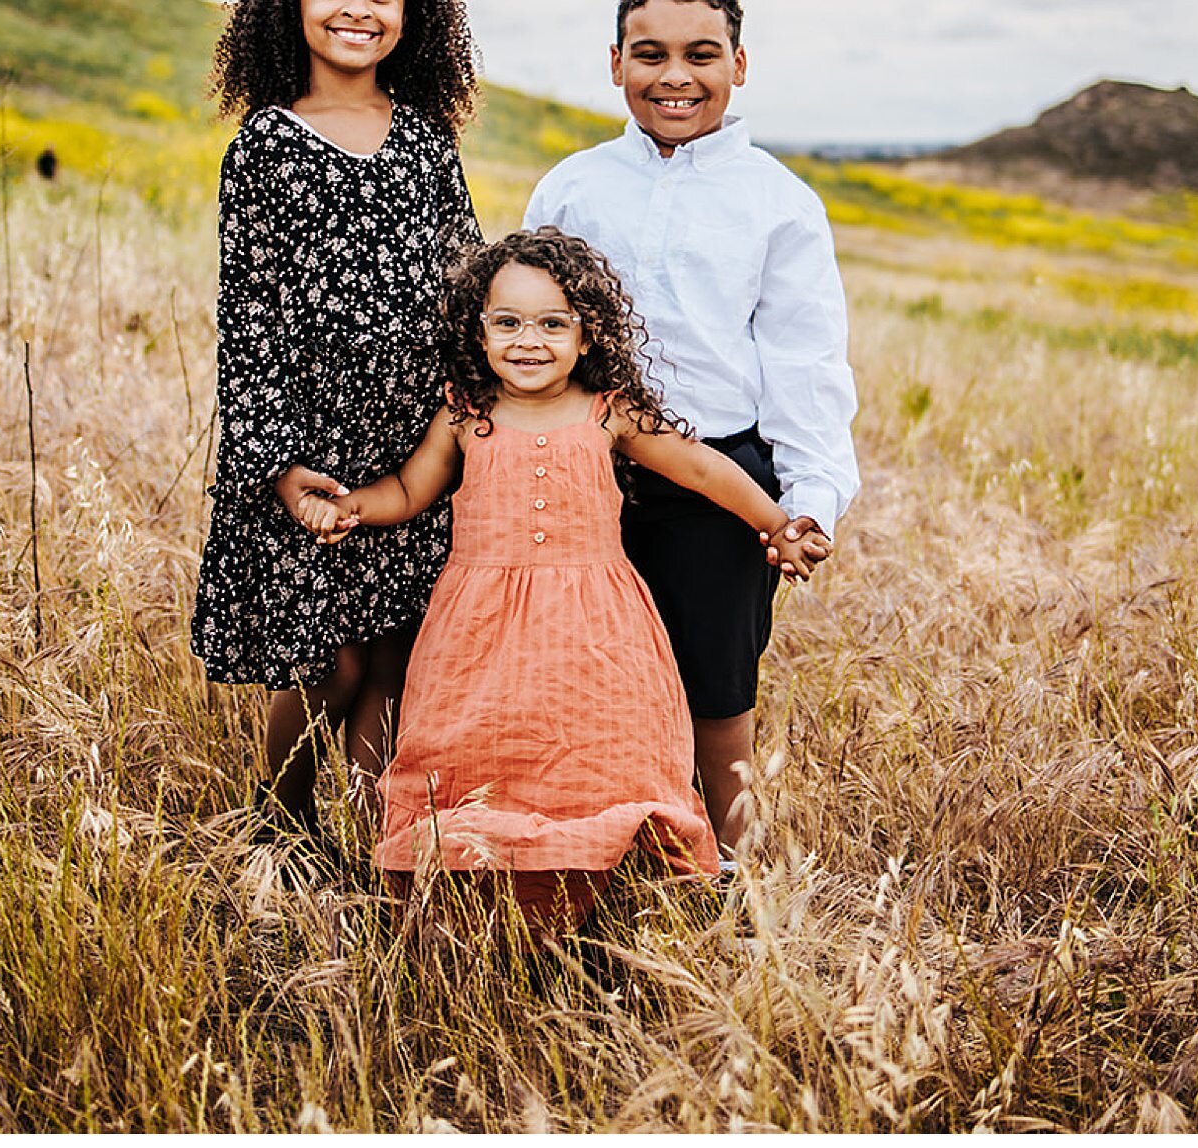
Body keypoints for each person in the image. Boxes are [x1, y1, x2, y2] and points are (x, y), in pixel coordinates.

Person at [299, 229, 818, 932]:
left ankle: (599, 892)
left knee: (600, 747)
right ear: (476, 332)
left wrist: (776, 525)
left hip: (598, 626)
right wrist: (353, 508)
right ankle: (481, 890)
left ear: (586, 335)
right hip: (478, 627)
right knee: (477, 746)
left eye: (552, 323)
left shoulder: (608, 410)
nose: (528, 341)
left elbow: (701, 468)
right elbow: (409, 489)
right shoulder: (464, 413)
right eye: (506, 322)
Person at [521, 0, 858, 860]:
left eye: (702, 54)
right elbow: (524, 329)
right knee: (580, 683)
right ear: (616, 62)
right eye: (650, 54)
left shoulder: (779, 205)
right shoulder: (572, 188)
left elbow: (806, 366)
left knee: (717, 699)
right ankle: (592, 860)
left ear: (739, 64)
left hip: (720, 480)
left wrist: (810, 503)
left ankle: (736, 889)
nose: (676, 76)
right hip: (585, 473)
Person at [191, 0, 483, 842]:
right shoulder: (267, 146)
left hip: (415, 451)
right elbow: (251, 321)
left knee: (396, 657)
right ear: (292, 1)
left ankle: (369, 851)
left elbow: (468, 288)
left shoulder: (426, 144)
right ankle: (273, 828)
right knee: (331, 661)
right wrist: (278, 466)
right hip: (311, 454)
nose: (358, 10)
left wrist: (463, 420)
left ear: (415, 13)